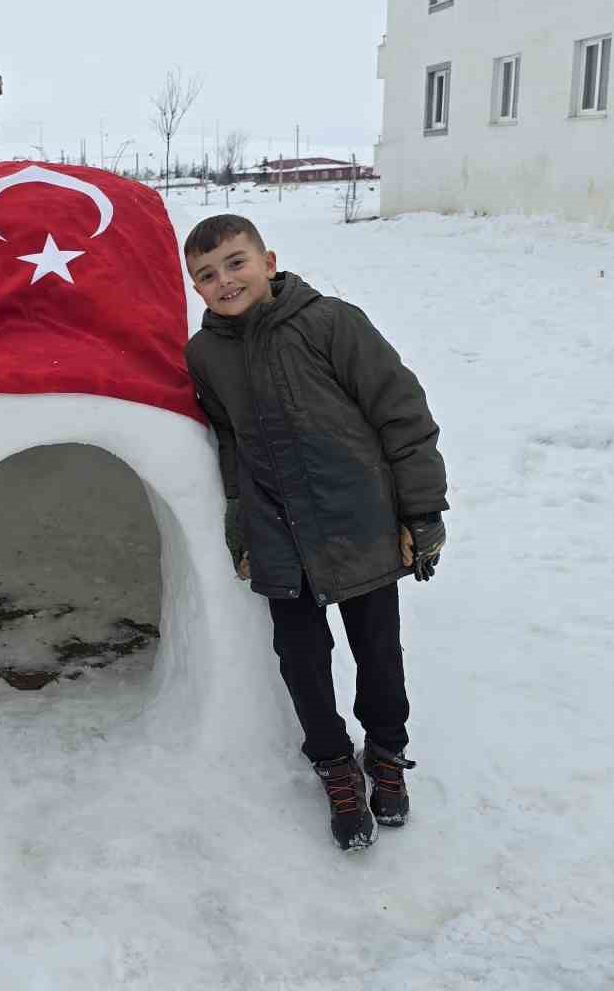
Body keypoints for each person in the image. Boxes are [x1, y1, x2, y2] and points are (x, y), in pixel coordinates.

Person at [182, 214, 447, 852]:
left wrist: (422, 514)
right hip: (278, 532)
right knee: (302, 661)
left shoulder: (332, 323)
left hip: (358, 521)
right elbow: (230, 450)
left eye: (236, 263)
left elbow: (402, 415)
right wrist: (241, 530)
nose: (225, 281)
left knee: (378, 653)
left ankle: (386, 754)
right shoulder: (205, 354)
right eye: (206, 275)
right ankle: (333, 764)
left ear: (268, 260)